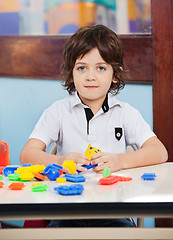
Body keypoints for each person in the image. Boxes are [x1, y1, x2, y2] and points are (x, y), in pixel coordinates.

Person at [20, 25, 168, 228]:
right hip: (66, 208)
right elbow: (27, 154)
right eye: (82, 68)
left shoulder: (125, 112)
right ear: (71, 74)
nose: (90, 76)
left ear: (115, 74)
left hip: (114, 207)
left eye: (101, 68)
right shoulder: (58, 111)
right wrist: (60, 160)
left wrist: (120, 160)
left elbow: (159, 152)